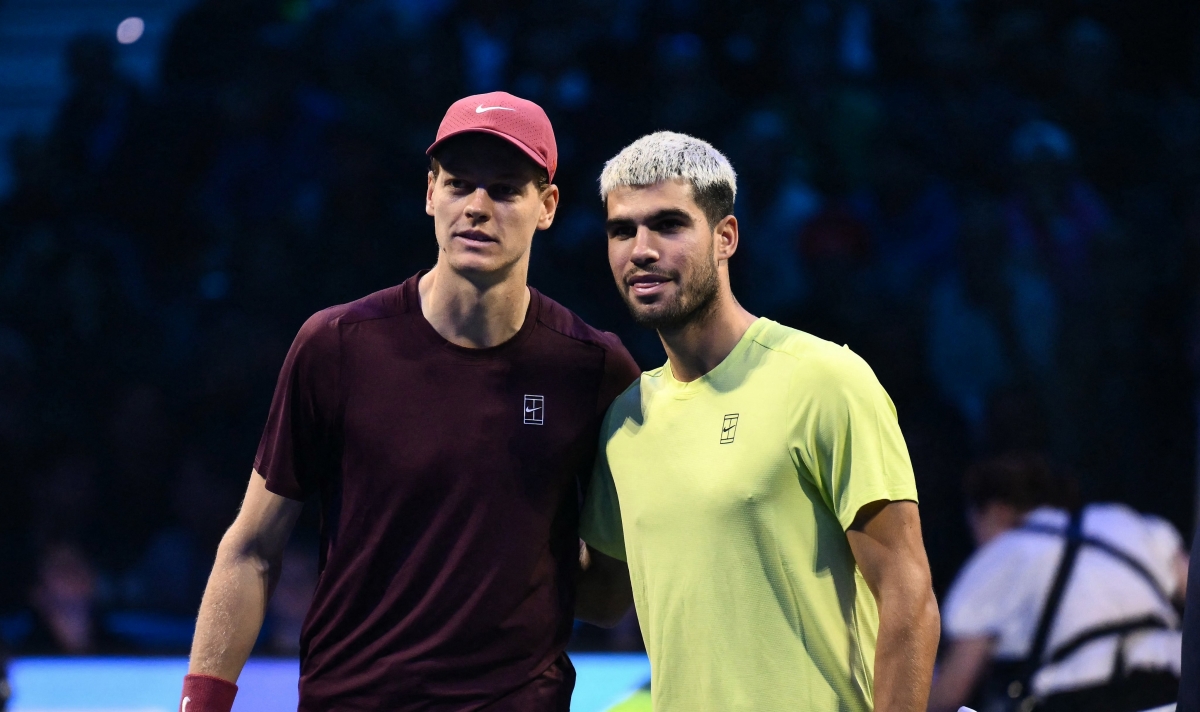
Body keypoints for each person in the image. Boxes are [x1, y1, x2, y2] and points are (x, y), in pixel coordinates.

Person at [180, 91, 641, 712]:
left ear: (547, 206)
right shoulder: (337, 346)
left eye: (505, 189)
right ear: (430, 194)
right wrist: (201, 704)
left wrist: (528, 559)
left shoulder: (595, 369)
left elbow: (608, 595)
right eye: (458, 184)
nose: (477, 207)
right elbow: (252, 547)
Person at [577, 131, 940, 711]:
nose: (641, 249)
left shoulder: (823, 380)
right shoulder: (626, 418)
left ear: (726, 237)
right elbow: (602, 598)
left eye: (669, 225)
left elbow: (908, 597)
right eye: (623, 230)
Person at [928, 453, 1186, 712]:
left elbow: (951, 692)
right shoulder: (1127, 521)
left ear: (997, 513)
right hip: (1172, 688)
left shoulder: (998, 555)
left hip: (1081, 699)